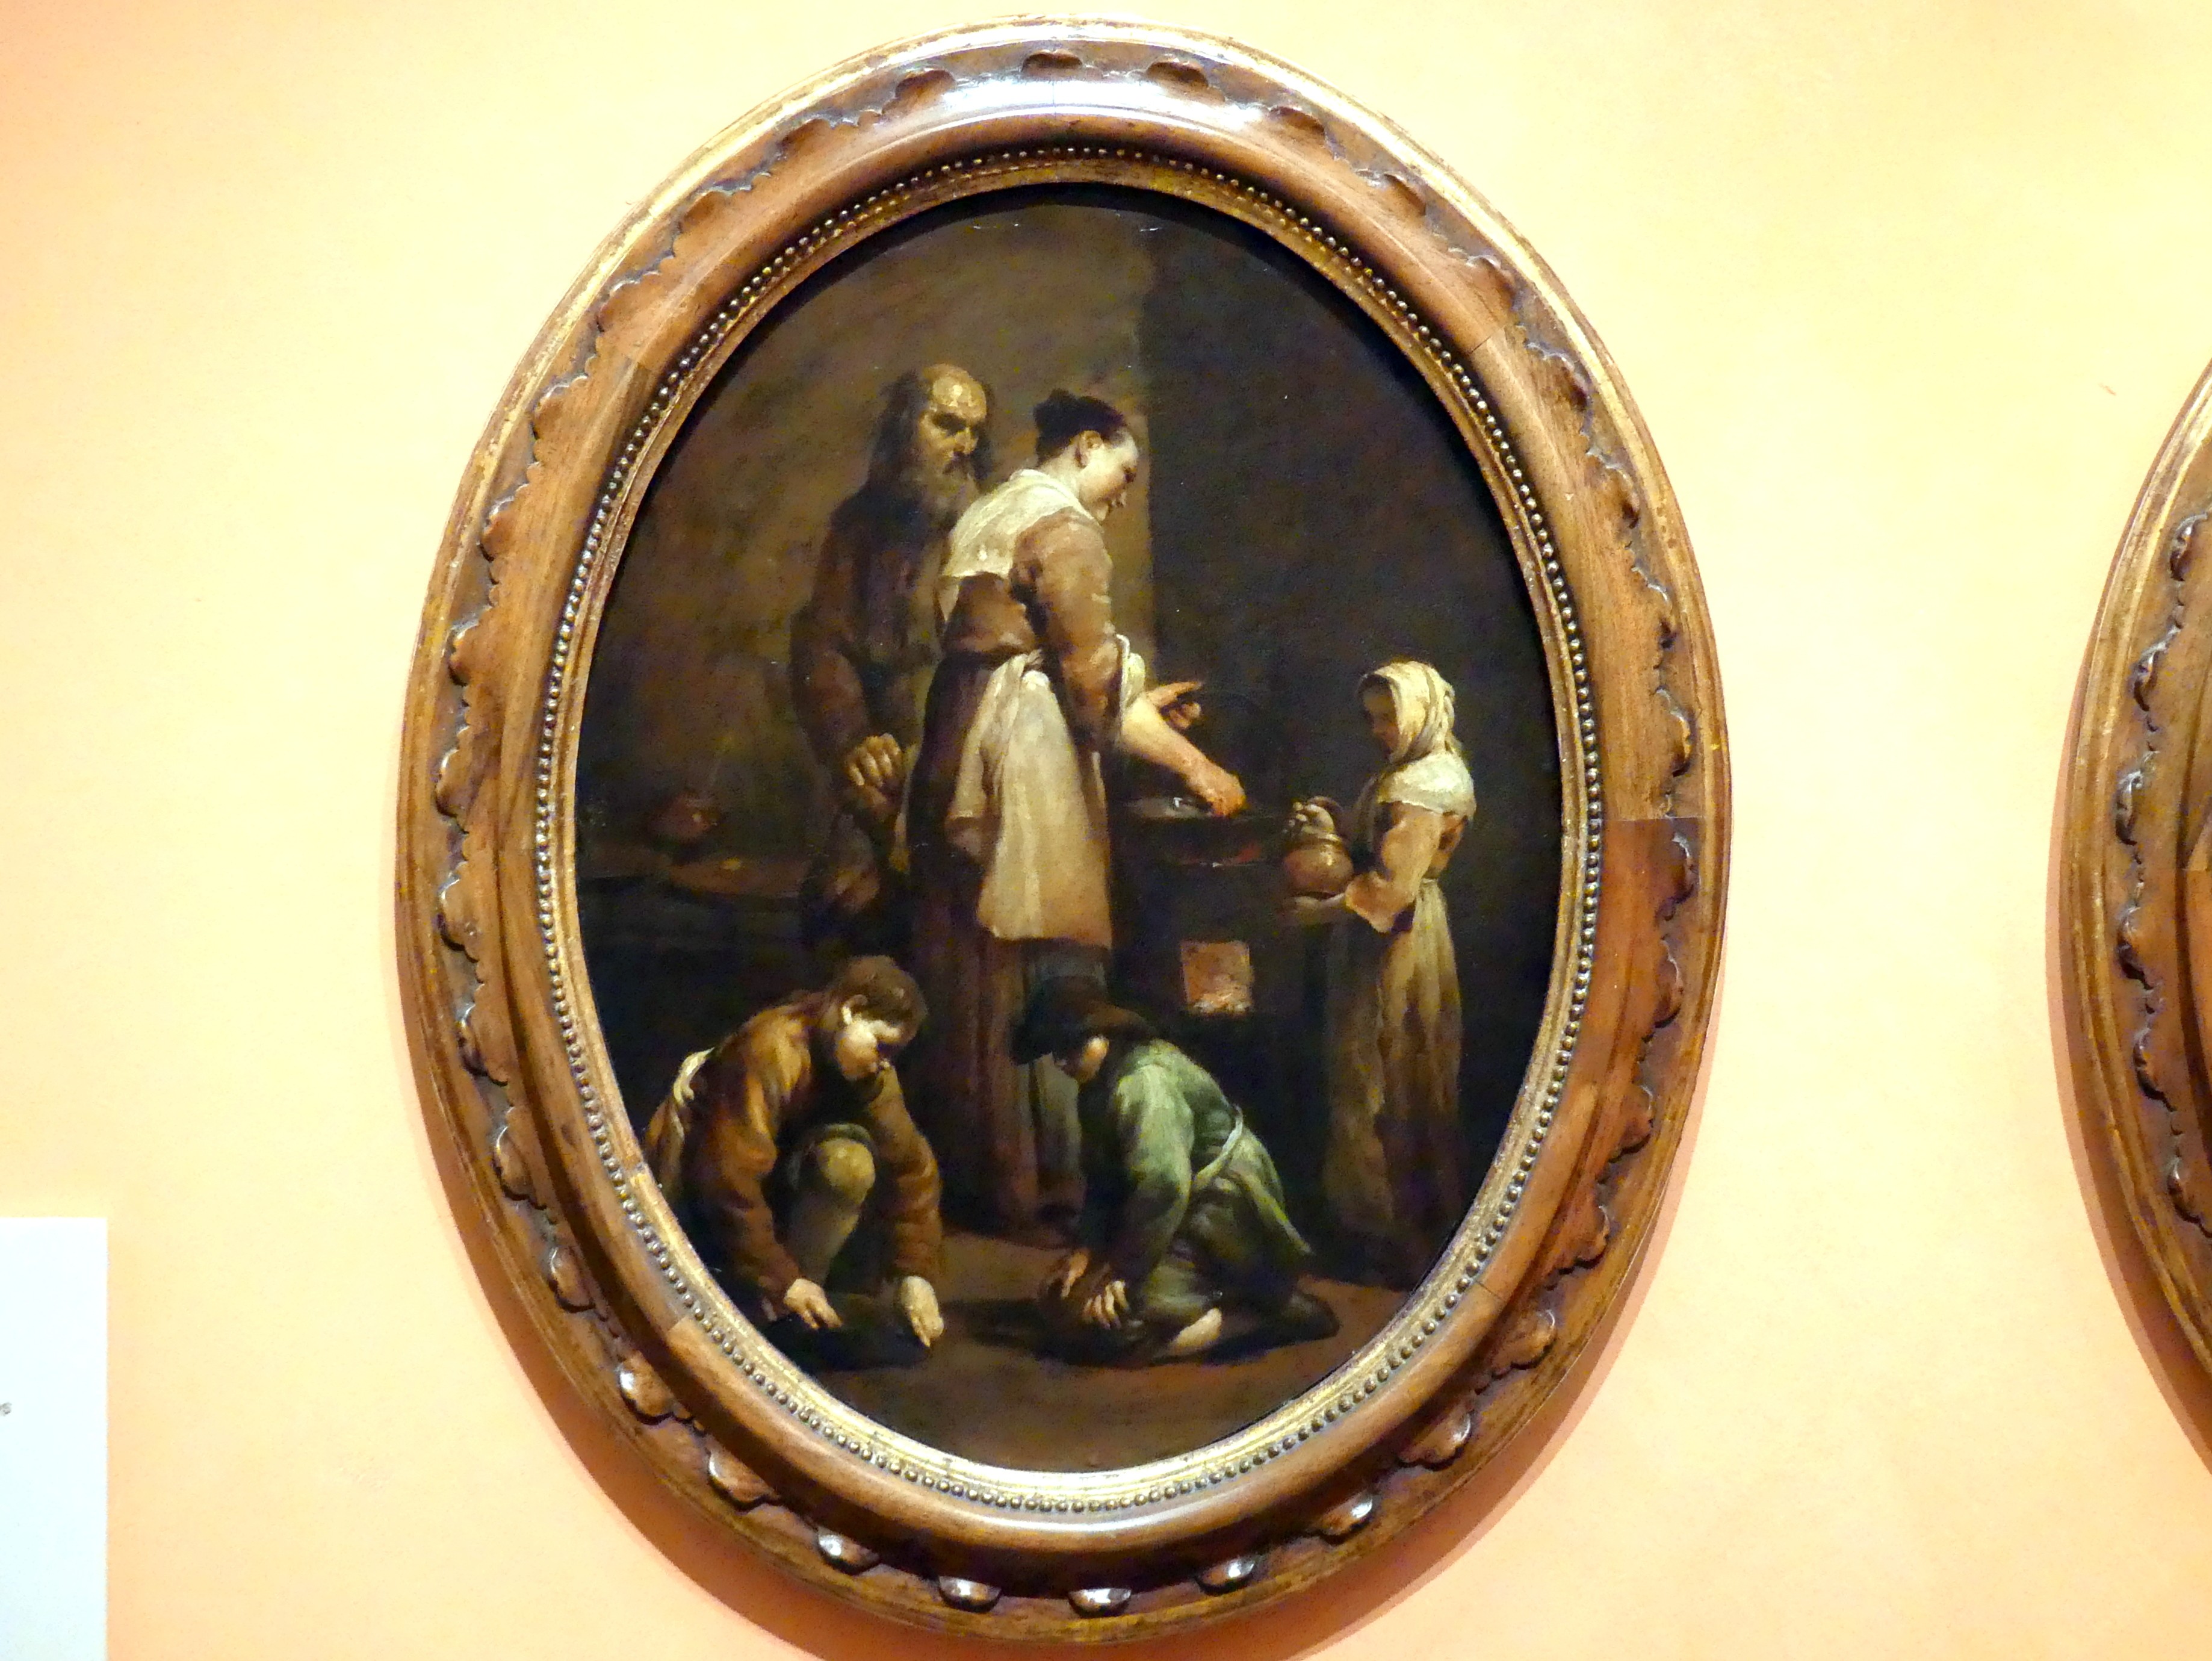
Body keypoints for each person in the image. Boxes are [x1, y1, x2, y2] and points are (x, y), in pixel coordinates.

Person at [904, 390, 1244, 1241]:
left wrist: (1137, 702)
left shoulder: (989, 511)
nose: (1123, 498)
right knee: (1041, 955)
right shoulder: (1063, 528)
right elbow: (1088, 689)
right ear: (1087, 446)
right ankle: (1043, 1188)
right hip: (1020, 762)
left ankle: (983, 1180)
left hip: (956, 741)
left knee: (973, 962)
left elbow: (1031, 653)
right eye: (1122, 474)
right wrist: (1198, 766)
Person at [1011, 977, 1337, 1365]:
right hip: (1171, 1209)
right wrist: (1087, 1250)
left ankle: (1257, 1317)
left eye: (1072, 1049)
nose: (1063, 1063)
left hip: (1221, 1205)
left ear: (1106, 1034)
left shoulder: (1143, 1083)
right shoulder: (1098, 1087)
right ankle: (1238, 1294)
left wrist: (1124, 1273)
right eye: (1057, 1053)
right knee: (1060, 1303)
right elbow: (1104, 1181)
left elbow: (1163, 1186)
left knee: (1113, 1332)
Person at [642, 957, 946, 1368]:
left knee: (848, 1165)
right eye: (882, 1045)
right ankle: (768, 1311)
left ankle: (792, 1317)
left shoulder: (873, 1076)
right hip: (705, 1180)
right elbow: (727, 1175)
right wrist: (782, 1279)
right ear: (852, 1010)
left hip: (777, 1181)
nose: (885, 1062)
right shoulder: (772, 1048)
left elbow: (912, 1168)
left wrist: (915, 1273)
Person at [1288, 660, 1478, 1287]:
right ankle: (1372, 1227)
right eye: (1372, 719)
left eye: (1389, 717)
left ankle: (1396, 1235)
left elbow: (1391, 890)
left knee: (1390, 1079)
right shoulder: (1401, 776)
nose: (1380, 730)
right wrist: (1334, 825)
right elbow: (1373, 851)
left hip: (1401, 940)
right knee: (1364, 1075)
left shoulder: (1428, 782)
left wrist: (1313, 911)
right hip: (1375, 939)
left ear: (1421, 711)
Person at [787, 365, 990, 951]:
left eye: (974, 431)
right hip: (888, 768)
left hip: (974, 767)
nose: (965, 446)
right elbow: (823, 642)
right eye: (947, 425)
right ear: (904, 428)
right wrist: (853, 737)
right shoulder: (859, 528)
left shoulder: (995, 525)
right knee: (843, 906)